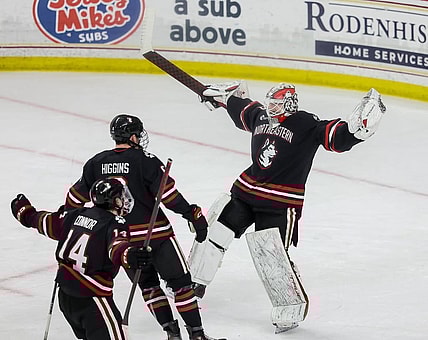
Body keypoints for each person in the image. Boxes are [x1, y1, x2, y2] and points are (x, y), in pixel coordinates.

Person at [188, 82, 386, 331]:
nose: (271, 108)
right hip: (246, 191)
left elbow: (335, 138)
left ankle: (289, 308)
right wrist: (222, 99)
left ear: (290, 103)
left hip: (279, 203)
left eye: (277, 104)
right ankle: (194, 282)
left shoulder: (305, 123)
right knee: (215, 231)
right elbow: (241, 108)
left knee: (271, 255)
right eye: (270, 102)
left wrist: (357, 132)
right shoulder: (261, 117)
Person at [64, 114, 224, 340]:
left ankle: (172, 334)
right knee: (181, 285)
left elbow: (73, 199)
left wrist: (72, 221)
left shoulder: (96, 162)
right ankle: (197, 335)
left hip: (123, 239)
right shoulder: (145, 160)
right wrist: (191, 214)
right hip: (156, 234)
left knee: (149, 287)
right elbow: (168, 196)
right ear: (133, 136)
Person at [10, 178, 152, 340]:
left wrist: (25, 212)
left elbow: (44, 221)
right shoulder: (114, 223)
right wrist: (130, 255)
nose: (125, 200)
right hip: (92, 300)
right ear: (114, 201)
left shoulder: (74, 214)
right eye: (121, 196)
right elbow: (117, 246)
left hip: (66, 297)